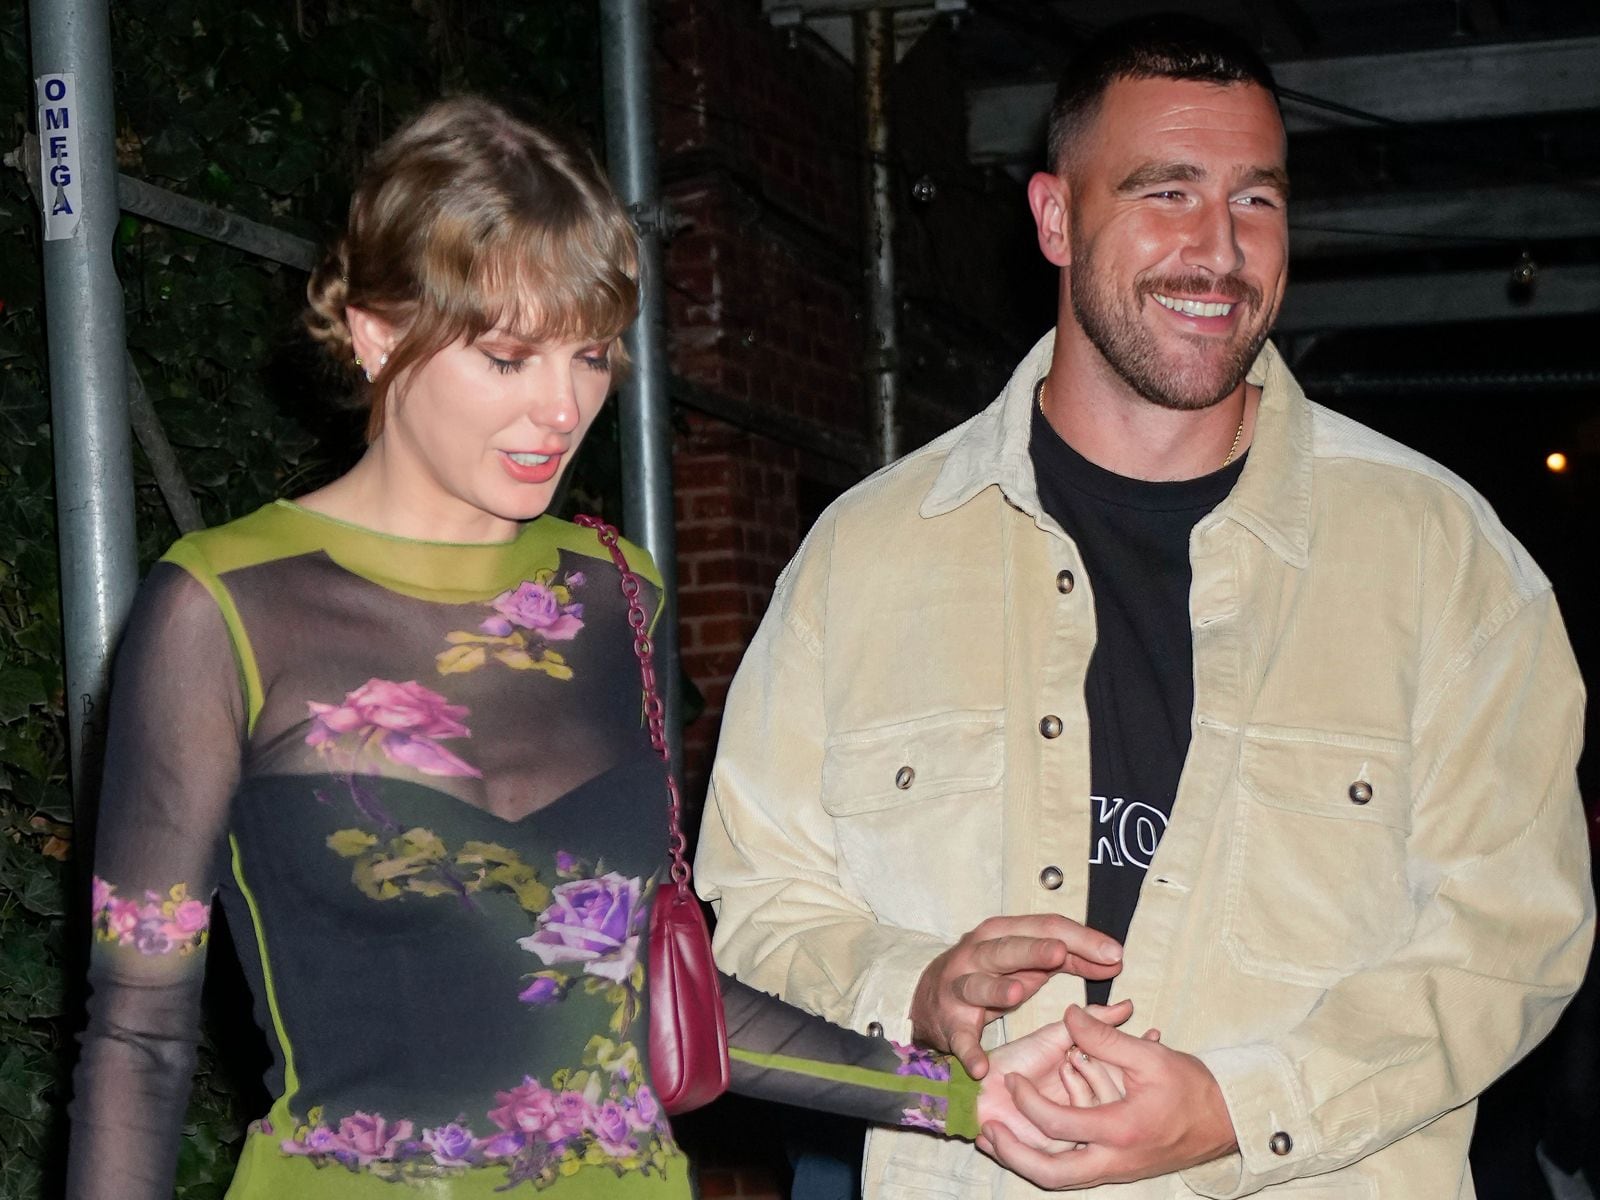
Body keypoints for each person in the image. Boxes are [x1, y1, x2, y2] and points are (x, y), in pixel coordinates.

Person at [65, 96, 1133, 1200]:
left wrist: (961, 1096)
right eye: (507, 357)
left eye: (588, 354)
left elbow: (644, 993)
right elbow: (138, 1035)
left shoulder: (614, 591)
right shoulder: (226, 608)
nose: (561, 409)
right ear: (378, 334)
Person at [696, 14, 1594, 1198]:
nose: (1218, 249)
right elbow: (758, 903)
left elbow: (1511, 935)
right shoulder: (863, 558)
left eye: (1254, 199)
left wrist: (1237, 1110)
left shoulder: (1443, 558)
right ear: (1054, 218)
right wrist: (911, 989)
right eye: (1166, 191)